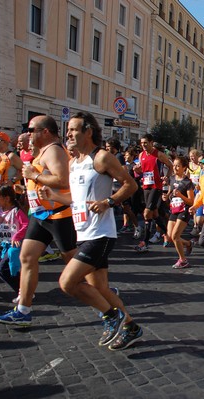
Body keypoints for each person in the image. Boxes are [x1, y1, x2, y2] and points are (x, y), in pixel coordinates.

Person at [39, 111, 142, 350]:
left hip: (101, 234)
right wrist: (53, 195)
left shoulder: (102, 158)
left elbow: (131, 184)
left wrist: (109, 202)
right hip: (83, 233)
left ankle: (110, 316)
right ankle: (131, 327)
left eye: (74, 129)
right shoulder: (75, 162)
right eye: (68, 130)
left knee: (67, 282)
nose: (69, 134)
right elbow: (77, 200)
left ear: (88, 131)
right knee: (100, 288)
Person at [0, 115, 77, 326]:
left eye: (31, 129)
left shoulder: (55, 150)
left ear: (45, 131)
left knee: (74, 262)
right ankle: (23, 311)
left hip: (58, 214)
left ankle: (102, 290)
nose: (28, 133)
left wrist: (34, 175)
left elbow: (62, 180)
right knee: (27, 258)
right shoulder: (43, 152)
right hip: (40, 215)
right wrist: (29, 185)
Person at [133, 134, 172, 252]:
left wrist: (166, 177)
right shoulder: (141, 155)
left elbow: (170, 166)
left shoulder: (159, 154)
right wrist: (137, 170)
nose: (143, 145)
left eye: (145, 143)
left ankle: (144, 242)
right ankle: (167, 234)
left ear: (151, 142)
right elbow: (142, 171)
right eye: (142, 143)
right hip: (146, 186)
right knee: (154, 213)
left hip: (156, 186)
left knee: (146, 213)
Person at [167, 155, 195, 269]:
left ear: (184, 168)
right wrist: (166, 197)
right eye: (174, 165)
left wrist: (180, 195)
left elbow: (191, 201)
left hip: (184, 210)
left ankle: (183, 260)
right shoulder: (172, 179)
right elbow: (170, 195)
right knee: (169, 237)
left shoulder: (187, 182)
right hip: (174, 209)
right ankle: (188, 244)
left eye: (178, 166)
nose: (175, 168)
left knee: (175, 236)